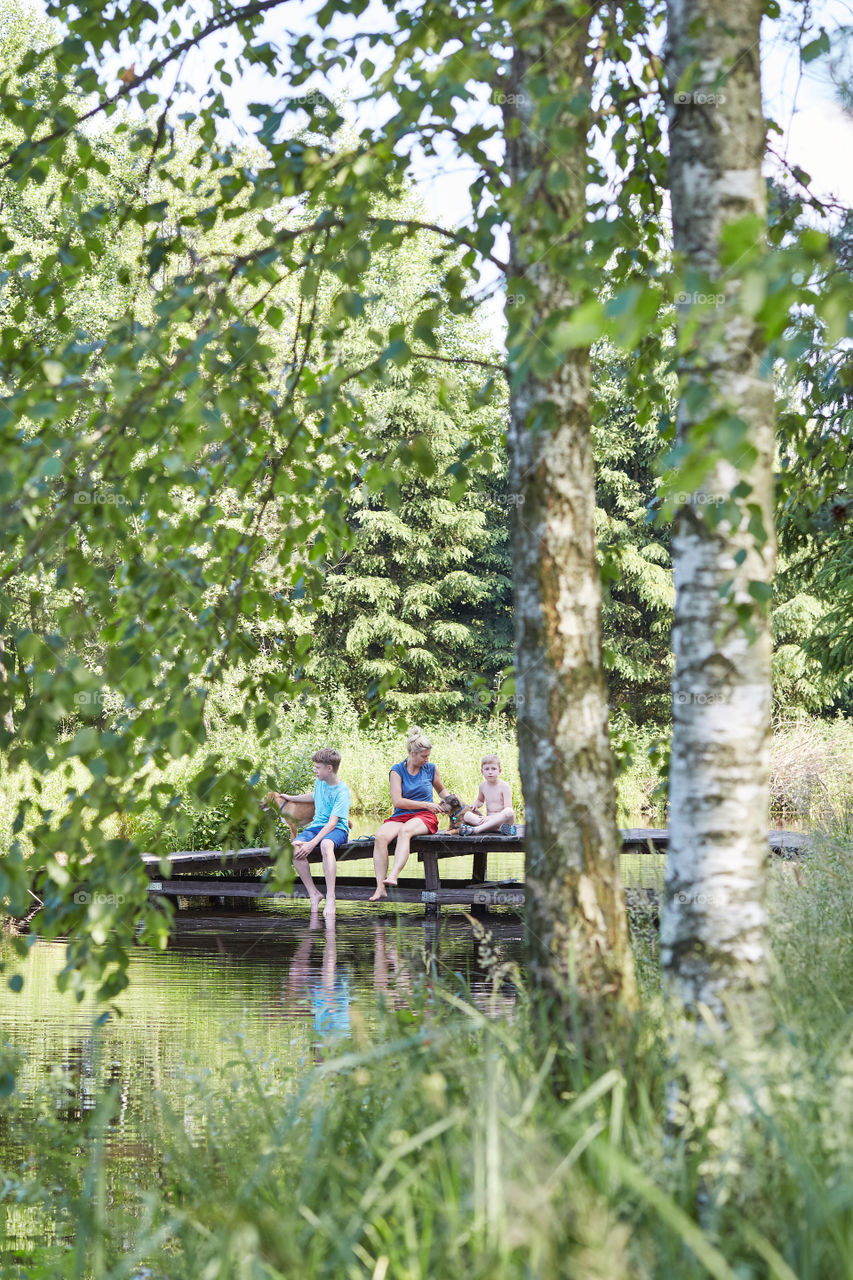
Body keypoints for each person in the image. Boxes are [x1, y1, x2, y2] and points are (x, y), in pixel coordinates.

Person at [369, 726, 450, 901]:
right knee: (380, 836)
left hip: (424, 817)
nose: (427, 759)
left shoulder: (430, 769)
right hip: (402, 814)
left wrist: (452, 801)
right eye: (424, 756)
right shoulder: (397, 770)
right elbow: (397, 801)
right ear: (412, 753)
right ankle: (380, 887)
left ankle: (393, 875)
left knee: (405, 831)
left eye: (428, 756)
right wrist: (427, 804)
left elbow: (442, 791)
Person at [277, 748, 350, 919]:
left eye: (317, 767)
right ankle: (314, 894)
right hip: (316, 827)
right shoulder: (320, 783)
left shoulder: (342, 791)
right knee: (294, 849)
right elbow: (314, 795)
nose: (315, 770)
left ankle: (331, 897)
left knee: (326, 845)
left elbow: (332, 823)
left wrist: (311, 844)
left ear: (329, 768)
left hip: (337, 829)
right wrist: (292, 798)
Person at [458, 754, 516, 836]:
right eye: (487, 769)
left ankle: (477, 829)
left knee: (509, 811)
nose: (490, 772)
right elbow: (480, 800)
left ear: (499, 771)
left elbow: (508, 808)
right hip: (487, 820)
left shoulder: (504, 786)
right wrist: (475, 805)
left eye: (493, 769)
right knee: (467, 815)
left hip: (503, 819)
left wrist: (490, 818)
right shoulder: (482, 786)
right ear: (482, 771)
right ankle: (498, 829)